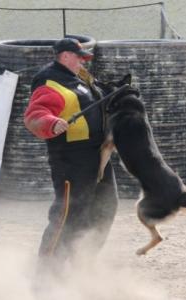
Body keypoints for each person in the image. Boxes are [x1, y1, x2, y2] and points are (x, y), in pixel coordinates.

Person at [24, 38, 118, 264]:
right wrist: (51, 123)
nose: (83, 63)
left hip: (98, 156)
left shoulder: (79, 79)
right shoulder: (50, 83)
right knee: (67, 215)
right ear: (65, 56)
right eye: (79, 58)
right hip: (71, 160)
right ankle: (46, 275)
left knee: (106, 206)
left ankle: (80, 262)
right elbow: (35, 114)